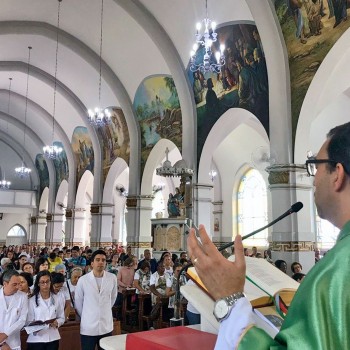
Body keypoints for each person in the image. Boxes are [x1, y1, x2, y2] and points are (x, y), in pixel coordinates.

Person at [188, 121, 350, 349]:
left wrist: (230, 299)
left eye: (316, 165)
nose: (313, 178)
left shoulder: (338, 270)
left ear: (338, 174)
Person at [75, 249, 118, 350]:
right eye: (97, 260)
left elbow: (113, 297)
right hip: (88, 326)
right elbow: (78, 302)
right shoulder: (83, 280)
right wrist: (88, 314)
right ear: (92, 263)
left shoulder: (112, 278)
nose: (101, 262)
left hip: (106, 325)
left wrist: (103, 309)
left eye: (103, 260)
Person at [26, 270, 65, 350]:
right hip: (36, 339)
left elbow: (62, 317)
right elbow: (28, 321)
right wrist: (36, 326)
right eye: (42, 282)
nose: (45, 285)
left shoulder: (57, 298)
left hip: (53, 337)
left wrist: (57, 322)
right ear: (38, 284)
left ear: (51, 282)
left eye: (47, 282)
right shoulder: (32, 301)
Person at [0, 269, 28, 350]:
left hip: (14, 341)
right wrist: (2, 343)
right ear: (5, 283)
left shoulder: (23, 296)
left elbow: (22, 320)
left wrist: (6, 334)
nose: (18, 287)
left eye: (19, 284)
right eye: (14, 284)